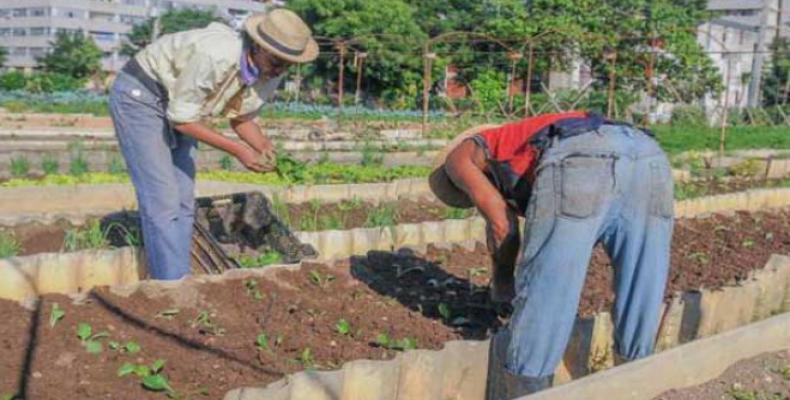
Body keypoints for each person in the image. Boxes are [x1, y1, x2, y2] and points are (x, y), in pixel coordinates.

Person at [429, 111, 674, 398]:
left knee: (547, 291)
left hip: (583, 160)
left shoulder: (459, 158)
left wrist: (502, 283)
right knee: (642, 284)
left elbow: (500, 224)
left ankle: (528, 387)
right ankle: (638, 386)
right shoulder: (520, 137)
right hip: (650, 155)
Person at [109, 9, 318, 280]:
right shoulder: (217, 54)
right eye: (277, 60)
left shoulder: (270, 72)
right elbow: (182, 121)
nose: (280, 69)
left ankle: (179, 276)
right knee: (162, 199)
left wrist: (264, 147)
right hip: (142, 95)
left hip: (184, 107)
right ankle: (169, 287)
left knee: (183, 199)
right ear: (258, 45)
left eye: (288, 63)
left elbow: (242, 118)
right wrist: (241, 151)